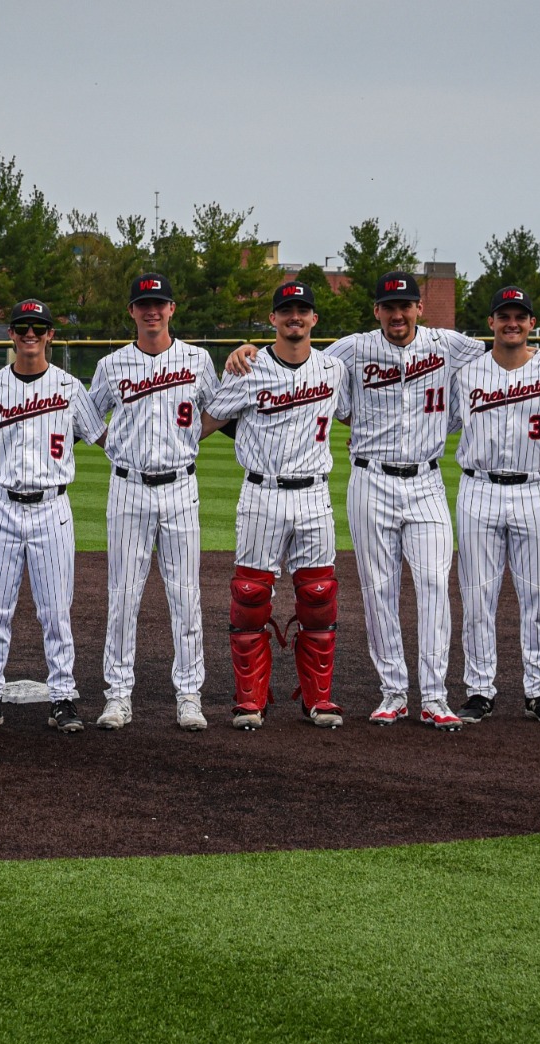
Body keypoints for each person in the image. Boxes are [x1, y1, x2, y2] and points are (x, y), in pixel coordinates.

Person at [223, 273, 540, 728]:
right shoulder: (351, 350)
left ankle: (434, 696)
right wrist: (248, 349)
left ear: (418, 309)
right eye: (389, 305)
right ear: (378, 311)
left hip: (427, 481)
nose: (398, 313)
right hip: (370, 478)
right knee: (379, 590)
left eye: (406, 304)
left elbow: (507, 351)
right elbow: (296, 361)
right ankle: (392, 692)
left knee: (434, 584)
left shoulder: (447, 344)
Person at [0, 299, 107, 734]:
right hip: (0, 505)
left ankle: (63, 697)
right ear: (12, 334)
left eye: (38, 327)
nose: (30, 335)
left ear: (50, 335)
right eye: (22, 327)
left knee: (55, 611)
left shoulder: (70, 387)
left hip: (52, 508)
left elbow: (100, 434)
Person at [202, 281, 350, 729]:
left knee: (319, 595)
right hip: (261, 493)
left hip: (314, 493)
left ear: (314, 320)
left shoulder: (333, 369)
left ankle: (317, 700)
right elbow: (210, 418)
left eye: (302, 311)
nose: (295, 317)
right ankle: (251, 699)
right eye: (286, 310)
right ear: (273, 319)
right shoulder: (247, 369)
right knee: (250, 596)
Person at [449, 286, 540, 725]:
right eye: (504, 315)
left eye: (520, 316)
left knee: (538, 597)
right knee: (477, 597)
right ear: (490, 322)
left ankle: (539, 689)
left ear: (531, 324)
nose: (512, 322)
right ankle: (478, 689)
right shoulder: (466, 373)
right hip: (478, 489)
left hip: (536, 490)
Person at [86, 273, 219, 732]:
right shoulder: (112, 365)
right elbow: (85, 415)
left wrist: (188, 440)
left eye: (159, 303)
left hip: (181, 485)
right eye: (144, 304)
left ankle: (189, 694)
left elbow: (217, 410)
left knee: (186, 596)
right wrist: (116, 447)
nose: (152, 311)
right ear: (132, 311)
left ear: (172, 308)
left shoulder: (198, 360)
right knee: (123, 596)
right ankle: (118, 695)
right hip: (128, 487)